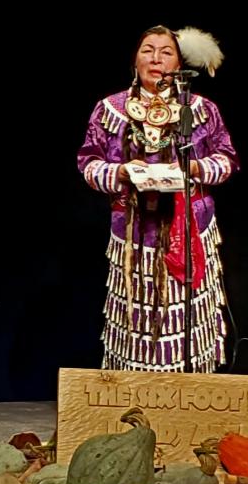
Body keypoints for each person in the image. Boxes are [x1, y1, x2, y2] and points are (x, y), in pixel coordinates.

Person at [75, 25, 237, 372]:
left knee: (187, 319)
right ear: (135, 58)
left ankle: (190, 396)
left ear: (180, 64)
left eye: (166, 52)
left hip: (188, 227)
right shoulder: (110, 109)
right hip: (135, 232)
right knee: (136, 322)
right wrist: (121, 172)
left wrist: (193, 168)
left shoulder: (200, 110)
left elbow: (227, 160)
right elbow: (88, 162)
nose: (156, 59)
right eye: (148, 50)